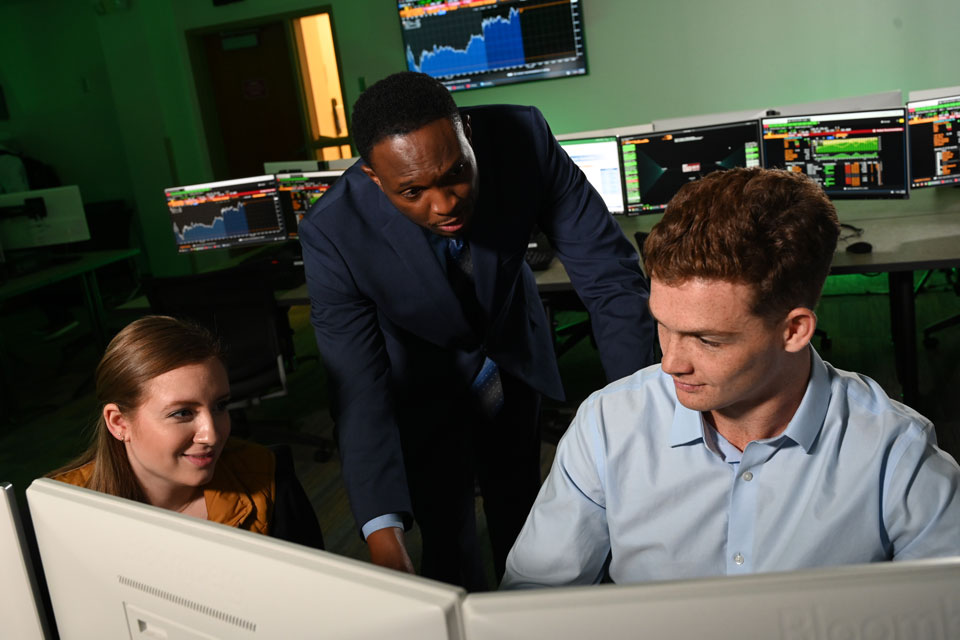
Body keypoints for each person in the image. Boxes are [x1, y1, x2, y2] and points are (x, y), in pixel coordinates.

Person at [502, 167, 960, 588]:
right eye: (663, 325)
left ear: (794, 330)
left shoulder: (895, 452)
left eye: (708, 340)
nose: (670, 364)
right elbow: (529, 605)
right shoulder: (607, 424)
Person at [299, 71, 654, 589]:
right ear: (374, 178)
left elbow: (611, 278)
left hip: (513, 355)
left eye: (456, 173)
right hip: (421, 382)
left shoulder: (522, 137)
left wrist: (641, 414)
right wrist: (384, 535)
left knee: (531, 523)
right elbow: (355, 386)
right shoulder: (333, 233)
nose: (444, 205)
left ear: (466, 130)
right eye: (413, 191)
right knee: (447, 543)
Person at [49, 315, 324, 550]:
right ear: (119, 423)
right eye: (182, 413)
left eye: (220, 405)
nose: (212, 435)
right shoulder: (55, 512)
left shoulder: (270, 478)